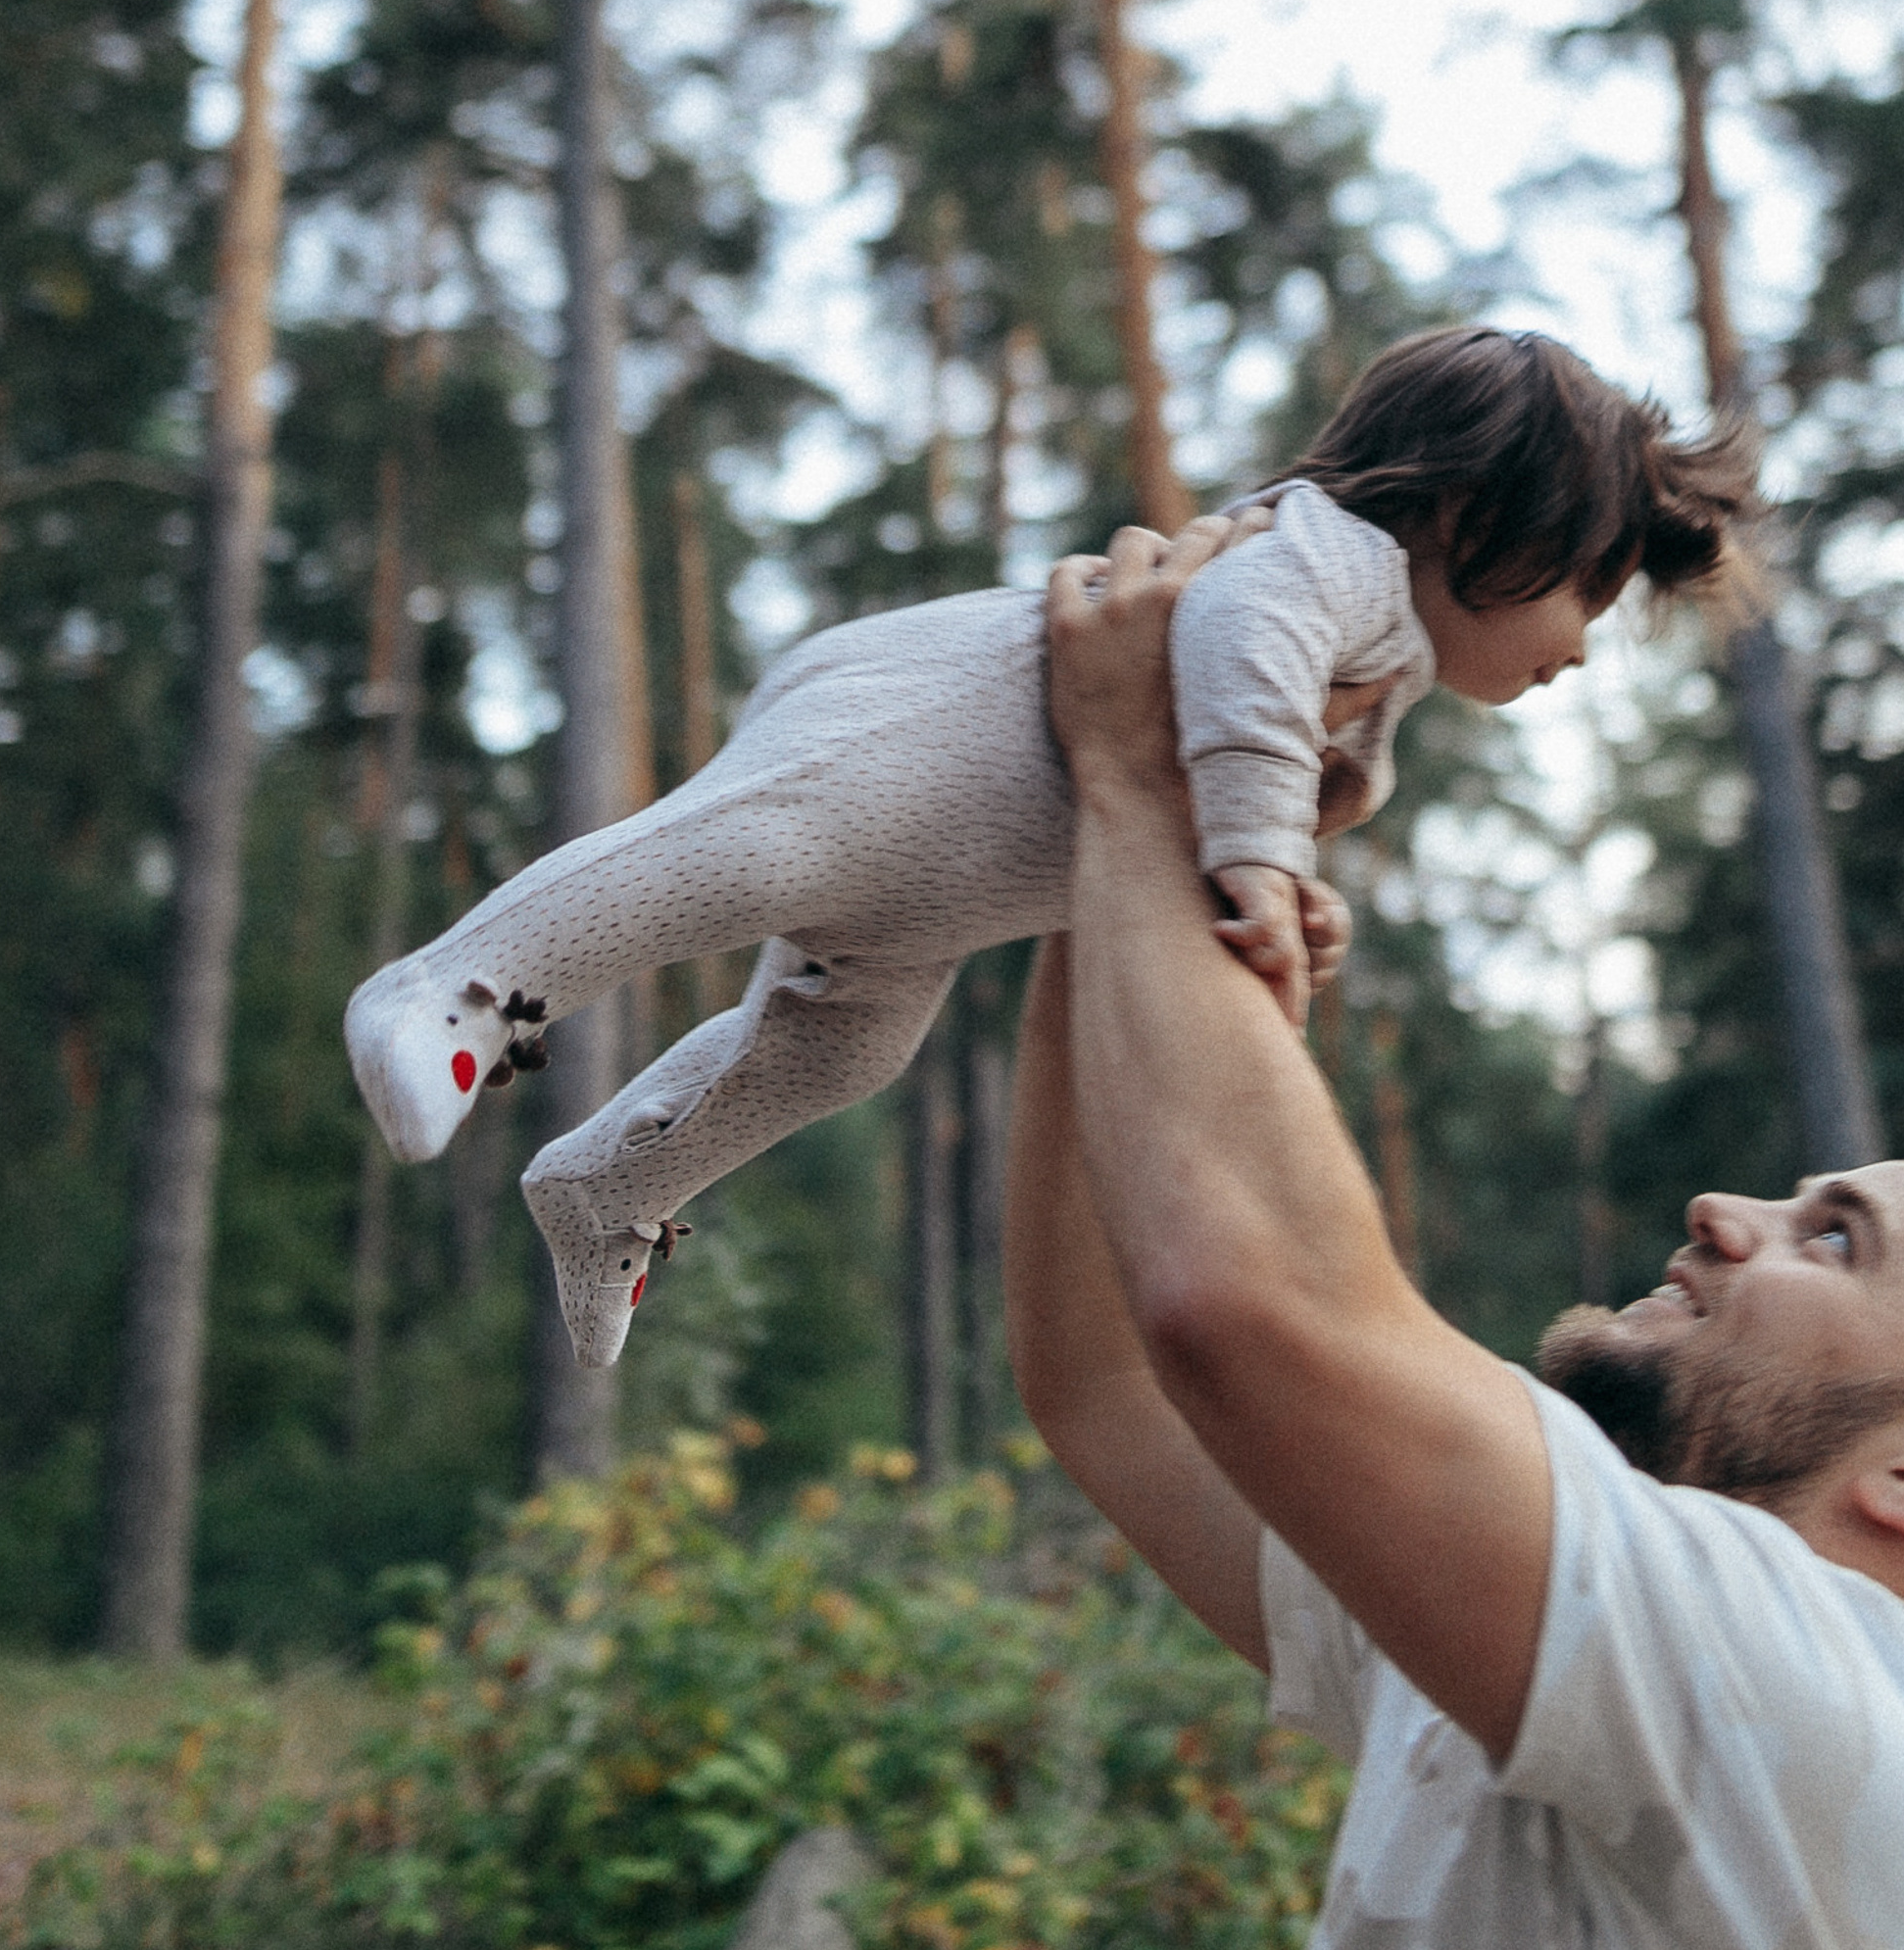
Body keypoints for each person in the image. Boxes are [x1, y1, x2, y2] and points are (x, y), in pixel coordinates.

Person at [1010, 515, 1904, 1950]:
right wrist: (1122, 858)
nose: (1719, 1209)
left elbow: (1244, 1306)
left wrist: (1132, 777)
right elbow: (1113, 1383)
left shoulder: (1857, 1702)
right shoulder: (1587, 1675)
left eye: (1832, 1235)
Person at [346, 329, 1750, 1366]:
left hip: (948, 888)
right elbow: (1235, 642)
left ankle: (610, 1188)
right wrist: (1264, 852)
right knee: (757, 855)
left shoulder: (1386, 672)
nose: (1584, 642)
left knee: (842, 1050)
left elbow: (1221, 774)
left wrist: (1279, 883)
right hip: (910, 734)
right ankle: (451, 990)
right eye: (1594, 588)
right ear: (1466, 517)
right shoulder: (1336, 562)